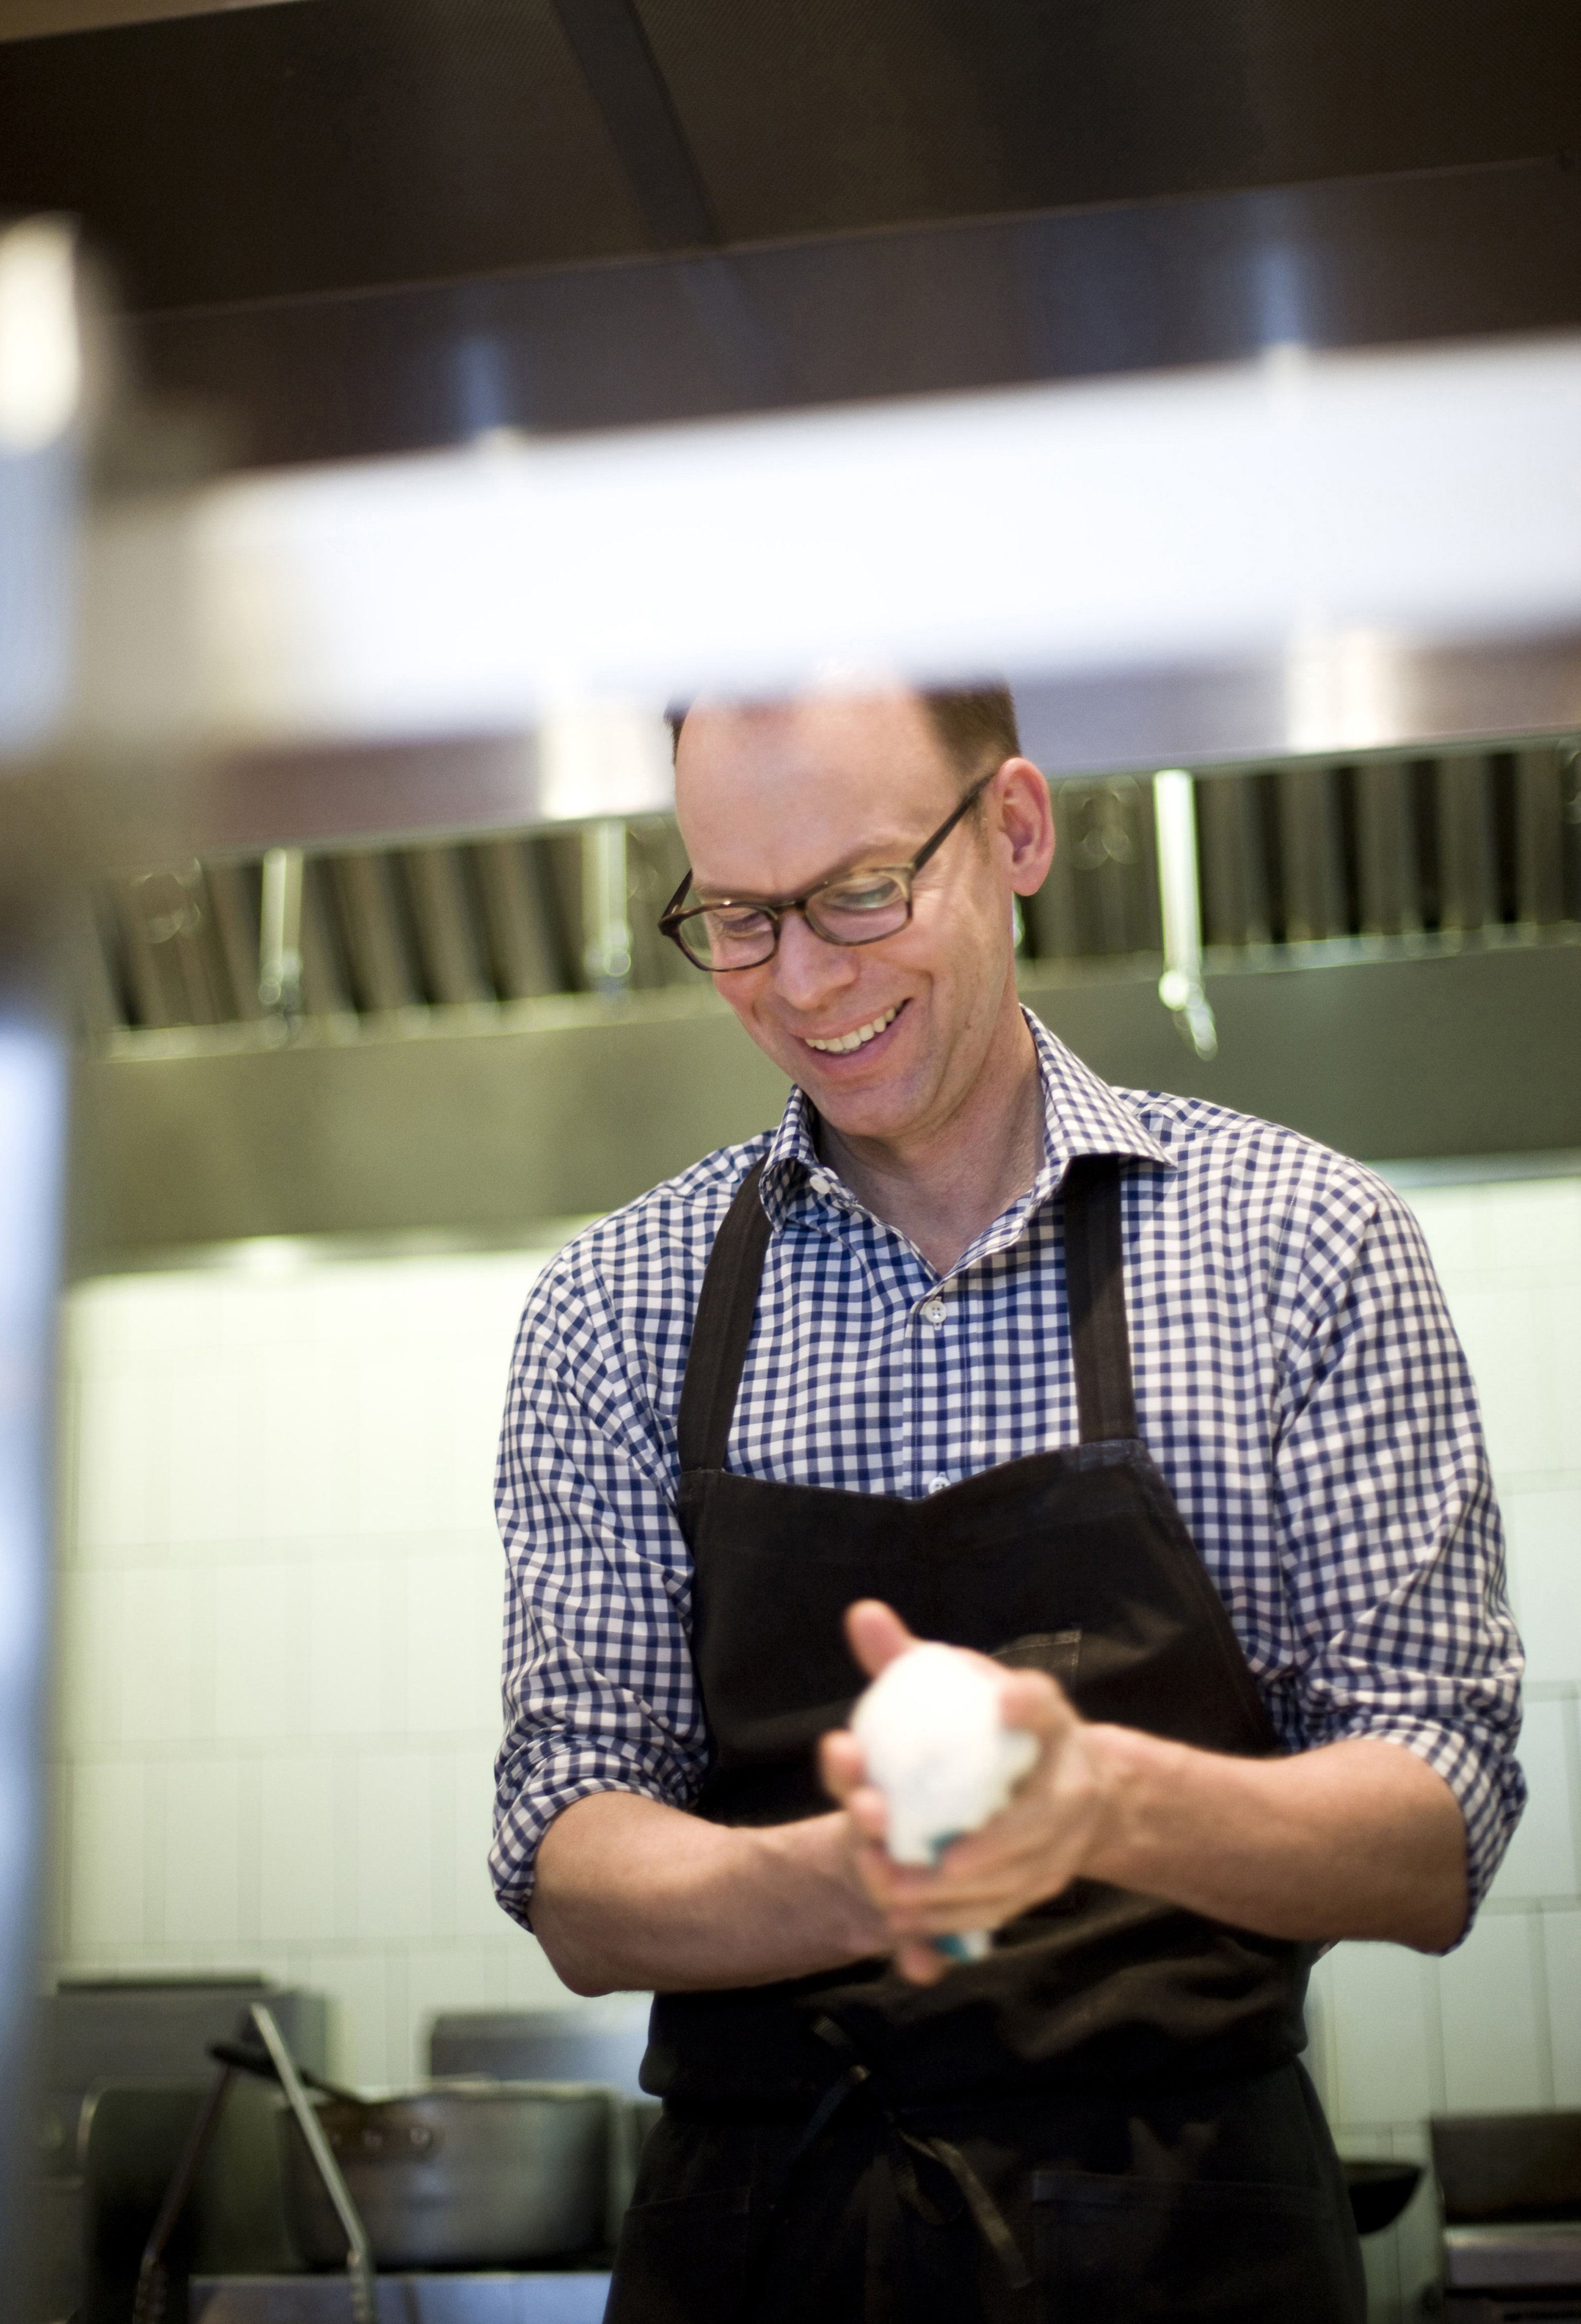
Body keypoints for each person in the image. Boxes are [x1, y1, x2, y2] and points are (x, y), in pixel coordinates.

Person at [490, 681, 1523, 2323]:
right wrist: (865, 1877)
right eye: (740, 918)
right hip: (760, 2248)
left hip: (1196, 2247)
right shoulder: (617, 1306)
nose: (806, 979)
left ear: (1017, 830)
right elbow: (571, 1851)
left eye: (859, 892)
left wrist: (1096, 1798)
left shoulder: (1301, 1244)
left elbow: (1434, 1830)